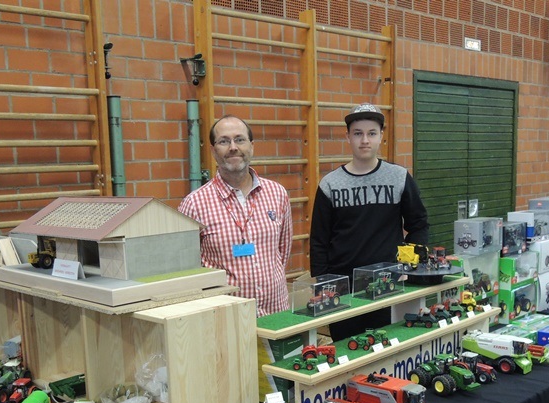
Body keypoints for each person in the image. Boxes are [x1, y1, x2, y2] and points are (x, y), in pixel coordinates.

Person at [310, 103, 429, 340]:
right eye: (358, 133)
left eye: (371, 133)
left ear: (381, 136)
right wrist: (324, 285)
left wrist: (410, 268)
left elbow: (419, 223)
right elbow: (319, 241)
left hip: (389, 285)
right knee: (348, 352)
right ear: (348, 137)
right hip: (344, 291)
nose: (365, 140)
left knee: (390, 349)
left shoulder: (398, 177)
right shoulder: (330, 184)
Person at [178, 115, 292, 317]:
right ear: (213, 150)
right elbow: (188, 269)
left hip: (276, 313)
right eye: (224, 141)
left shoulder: (277, 193)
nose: (233, 147)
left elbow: (283, 252)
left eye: (240, 139)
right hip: (225, 319)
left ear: (251, 146)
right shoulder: (194, 204)